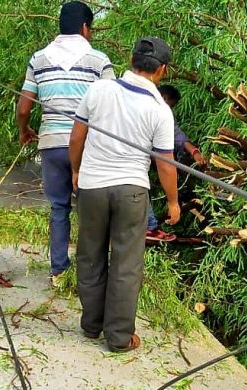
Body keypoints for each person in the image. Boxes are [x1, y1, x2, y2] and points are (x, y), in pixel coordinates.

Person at [69, 37, 180, 352]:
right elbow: (165, 164)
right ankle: (118, 338)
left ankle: (91, 325)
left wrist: (76, 171)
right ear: (162, 69)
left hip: (91, 186)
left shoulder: (100, 89)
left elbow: (77, 137)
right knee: (126, 264)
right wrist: (173, 202)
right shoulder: (160, 109)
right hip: (132, 190)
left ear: (131, 60)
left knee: (90, 255)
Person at [17, 1, 114, 286]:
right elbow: (112, 105)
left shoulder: (38, 58)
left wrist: (25, 130)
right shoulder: (99, 60)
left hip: (51, 144)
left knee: (59, 208)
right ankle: (92, 273)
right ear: (85, 28)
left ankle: (58, 270)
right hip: (87, 146)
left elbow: (24, 107)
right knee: (91, 211)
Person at [146, 85, 208, 242]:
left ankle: (151, 226)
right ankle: (150, 227)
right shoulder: (149, 109)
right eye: (171, 106)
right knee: (140, 187)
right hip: (132, 162)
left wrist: (194, 151)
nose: (171, 110)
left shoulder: (160, 112)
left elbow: (175, 134)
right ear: (164, 99)